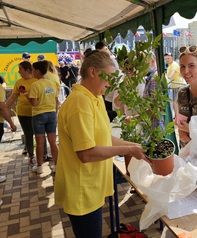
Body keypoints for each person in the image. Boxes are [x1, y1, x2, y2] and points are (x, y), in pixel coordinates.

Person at [54, 50, 146, 238]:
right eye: (109, 77)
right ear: (93, 72)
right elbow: (86, 153)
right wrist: (128, 149)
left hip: (91, 186)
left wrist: (133, 145)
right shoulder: (80, 102)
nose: (111, 84)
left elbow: (104, 137)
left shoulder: (94, 98)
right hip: (82, 189)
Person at [24, 60, 59, 174]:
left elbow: (34, 103)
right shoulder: (52, 83)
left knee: (39, 142)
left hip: (39, 115)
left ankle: (39, 167)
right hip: (52, 113)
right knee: (53, 142)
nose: (32, 72)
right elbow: (56, 100)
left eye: (33, 70)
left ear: (38, 71)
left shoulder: (35, 85)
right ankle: (57, 166)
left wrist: (27, 96)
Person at [6, 61, 38, 165]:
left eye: (20, 69)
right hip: (23, 113)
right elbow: (13, 97)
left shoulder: (36, 81)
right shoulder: (19, 82)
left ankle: (44, 154)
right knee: (28, 135)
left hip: (36, 112)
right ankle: (31, 156)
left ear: (27, 70)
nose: (18, 71)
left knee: (39, 134)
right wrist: (5, 107)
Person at [96, 41, 118, 122]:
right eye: (104, 50)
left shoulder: (112, 61)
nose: (107, 52)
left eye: (107, 49)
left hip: (110, 95)